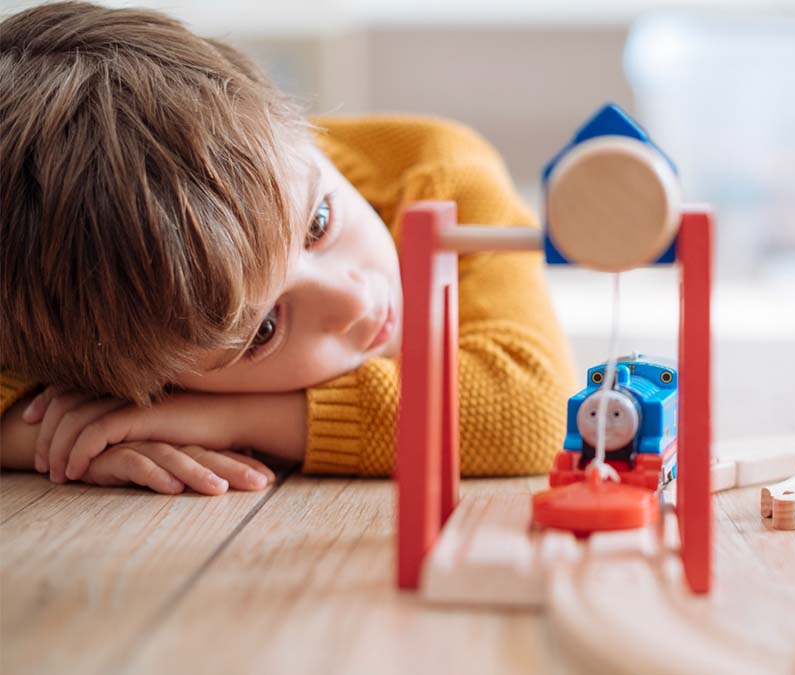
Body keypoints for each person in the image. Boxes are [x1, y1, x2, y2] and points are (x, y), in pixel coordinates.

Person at [0, 2, 575, 495]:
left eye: (319, 222)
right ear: (144, 383)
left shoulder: (438, 170)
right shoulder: (110, 301)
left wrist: (228, 418)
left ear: (296, 126)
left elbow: (534, 408)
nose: (354, 300)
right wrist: (60, 441)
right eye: (265, 329)